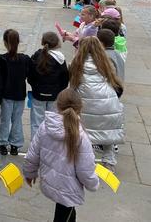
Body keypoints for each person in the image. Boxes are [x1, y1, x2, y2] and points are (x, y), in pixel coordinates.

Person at [23, 89, 99, 222]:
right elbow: (85, 171)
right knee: (64, 214)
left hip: (50, 181)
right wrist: (93, 184)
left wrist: (30, 173)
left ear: (57, 105)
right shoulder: (81, 137)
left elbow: (32, 154)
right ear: (80, 108)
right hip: (68, 188)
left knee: (66, 214)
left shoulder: (45, 127)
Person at [69, 36, 124, 170]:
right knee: (108, 133)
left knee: (84, 134)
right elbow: (116, 84)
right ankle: (109, 161)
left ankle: (86, 161)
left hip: (86, 105)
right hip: (108, 103)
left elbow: (73, 87)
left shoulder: (77, 64)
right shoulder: (105, 63)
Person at [0, 29, 30, 156]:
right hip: (20, 94)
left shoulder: (1, 59)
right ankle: (15, 144)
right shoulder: (25, 59)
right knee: (17, 119)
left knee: (5, 119)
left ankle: (2, 143)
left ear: (5, 42)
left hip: (6, 94)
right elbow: (28, 74)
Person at [28, 32, 69, 138]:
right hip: (54, 95)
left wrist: (35, 87)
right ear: (57, 43)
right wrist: (59, 90)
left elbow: (31, 75)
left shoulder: (37, 56)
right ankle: (50, 145)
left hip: (38, 94)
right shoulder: (60, 59)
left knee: (36, 123)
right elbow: (65, 78)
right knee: (53, 123)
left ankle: (35, 147)